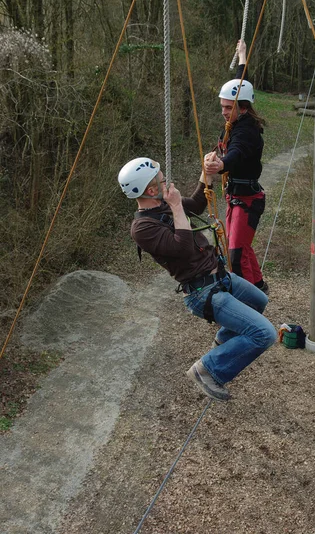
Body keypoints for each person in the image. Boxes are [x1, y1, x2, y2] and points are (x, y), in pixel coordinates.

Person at [118, 157, 277, 402]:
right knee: (264, 334)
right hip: (202, 292)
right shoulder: (142, 229)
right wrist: (176, 207)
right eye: (163, 181)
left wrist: (206, 175)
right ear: (151, 191)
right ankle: (207, 369)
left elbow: (196, 204)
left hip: (220, 276)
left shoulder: (164, 204)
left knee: (258, 300)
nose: (168, 183)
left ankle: (224, 340)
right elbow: (182, 246)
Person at [204, 40, 269, 293]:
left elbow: (236, 152)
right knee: (239, 247)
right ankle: (259, 286)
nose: (223, 112)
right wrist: (242, 57)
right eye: (222, 107)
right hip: (237, 196)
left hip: (248, 200)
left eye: (228, 108)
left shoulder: (246, 131)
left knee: (236, 253)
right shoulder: (238, 117)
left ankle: (248, 296)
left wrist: (220, 164)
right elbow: (241, 83)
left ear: (243, 107)